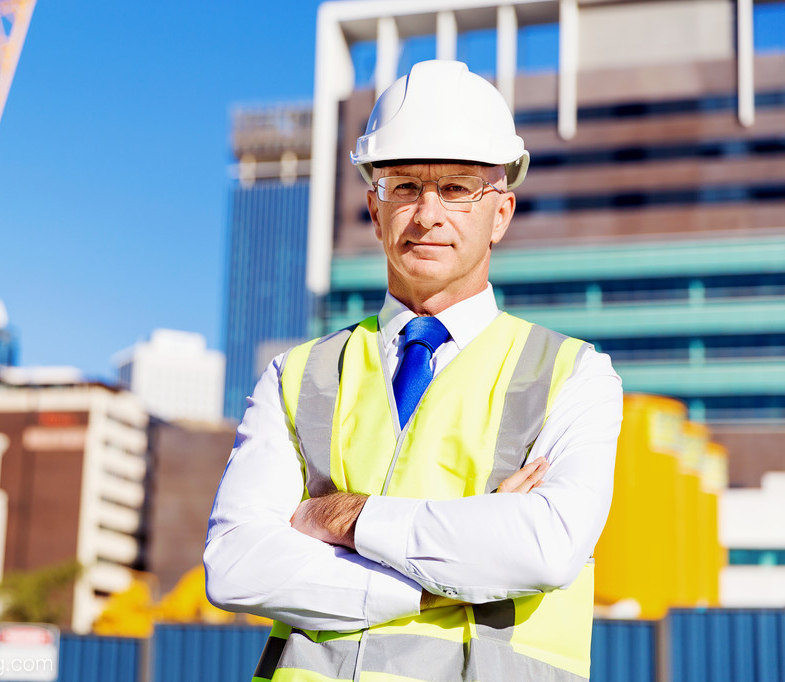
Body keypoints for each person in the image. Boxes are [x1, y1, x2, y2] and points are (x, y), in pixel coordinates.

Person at [204, 60, 622, 682]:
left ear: (500, 214)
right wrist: (450, 575)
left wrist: (343, 519)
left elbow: (546, 544)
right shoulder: (296, 375)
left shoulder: (574, 375)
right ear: (375, 212)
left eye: (457, 189)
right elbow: (236, 565)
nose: (427, 214)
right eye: (403, 187)